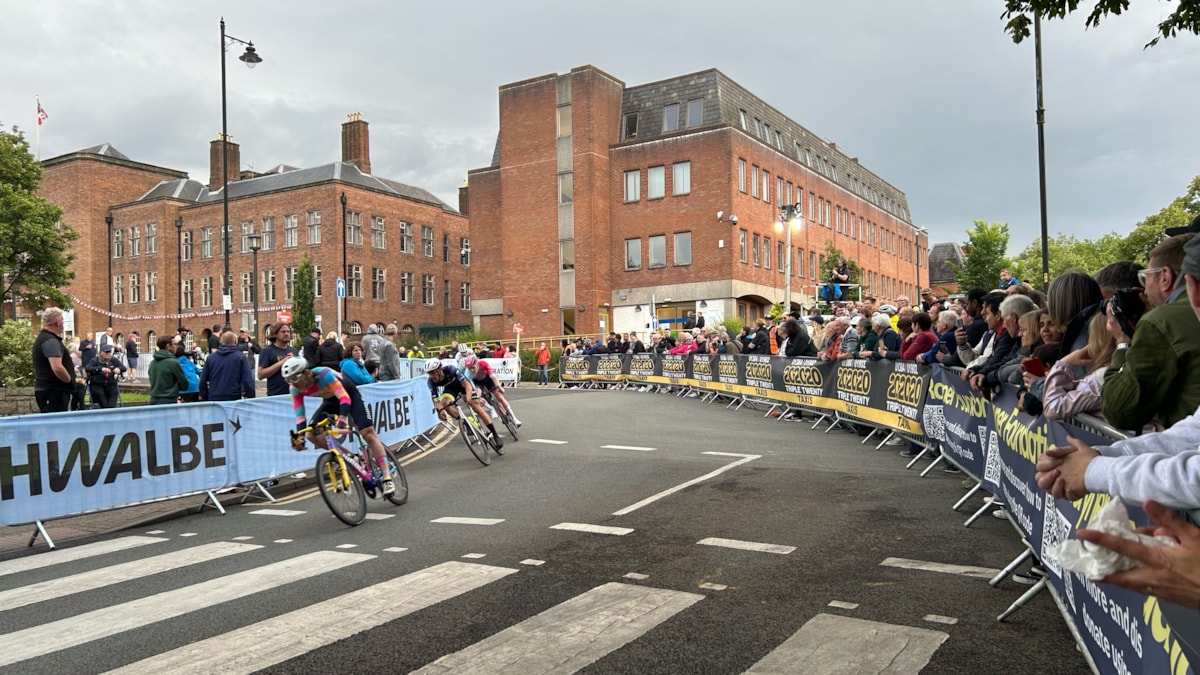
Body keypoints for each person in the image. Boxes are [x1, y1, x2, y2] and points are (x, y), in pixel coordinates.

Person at [1101, 233, 1200, 430]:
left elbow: (1120, 410)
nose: (1144, 290)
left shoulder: (1160, 322)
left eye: (1144, 277)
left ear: (1165, 277)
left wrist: (1122, 342)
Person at [282, 357, 395, 496]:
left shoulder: (323, 374)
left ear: (306, 373)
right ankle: (350, 457)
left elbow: (344, 397)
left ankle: (387, 478)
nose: (292, 383)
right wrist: (299, 437)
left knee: (368, 434)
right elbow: (300, 415)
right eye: (288, 380)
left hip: (349, 396)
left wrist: (342, 416)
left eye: (294, 378)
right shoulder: (294, 388)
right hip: (330, 402)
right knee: (311, 435)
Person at [423, 358, 504, 449]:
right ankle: (465, 422)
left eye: (432, 372)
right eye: (429, 373)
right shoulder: (430, 382)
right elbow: (436, 401)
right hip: (450, 390)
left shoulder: (451, 370)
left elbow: (467, 384)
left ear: (439, 369)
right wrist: (440, 411)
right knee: (445, 404)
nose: (431, 376)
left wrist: (469, 398)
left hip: (463, 386)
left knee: (476, 406)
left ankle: (495, 434)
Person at [32, 308, 75, 413]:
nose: (63, 324)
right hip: (53, 391)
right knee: (56, 425)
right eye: (62, 321)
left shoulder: (44, 338)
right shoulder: (50, 341)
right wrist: (69, 381)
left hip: (49, 390)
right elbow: (57, 367)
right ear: (58, 322)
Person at [463, 355, 522, 427]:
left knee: (499, 397)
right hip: (477, 383)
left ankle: (514, 419)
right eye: (469, 369)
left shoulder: (483, 364)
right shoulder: (467, 374)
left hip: (488, 379)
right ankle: (492, 409)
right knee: (478, 395)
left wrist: (499, 386)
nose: (472, 370)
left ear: (477, 364)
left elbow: (493, 376)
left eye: (473, 367)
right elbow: (472, 387)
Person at [200, 331, 256, 401]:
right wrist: (251, 397)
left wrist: (205, 397)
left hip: (214, 396)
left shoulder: (211, 358)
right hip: (233, 397)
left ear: (221, 341)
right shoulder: (240, 357)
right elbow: (247, 380)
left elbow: (203, 381)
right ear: (235, 342)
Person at [257, 323, 299, 396]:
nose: (286, 334)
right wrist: (282, 362)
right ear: (275, 334)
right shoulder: (267, 350)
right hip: (275, 395)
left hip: (293, 394)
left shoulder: (294, 351)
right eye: (283, 332)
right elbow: (260, 375)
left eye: (288, 331)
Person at [148, 335, 188, 405]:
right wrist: (175, 388)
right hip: (169, 400)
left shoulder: (152, 363)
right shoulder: (173, 363)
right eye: (175, 344)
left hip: (153, 399)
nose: (177, 347)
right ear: (168, 346)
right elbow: (184, 384)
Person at [85, 342, 125, 408]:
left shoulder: (114, 360)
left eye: (109, 352)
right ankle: (106, 409)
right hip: (97, 384)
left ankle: (111, 410)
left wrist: (118, 369)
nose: (108, 354)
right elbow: (87, 368)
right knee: (102, 399)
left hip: (111, 383)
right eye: (106, 352)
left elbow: (123, 368)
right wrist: (100, 369)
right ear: (101, 353)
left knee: (114, 394)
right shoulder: (94, 360)